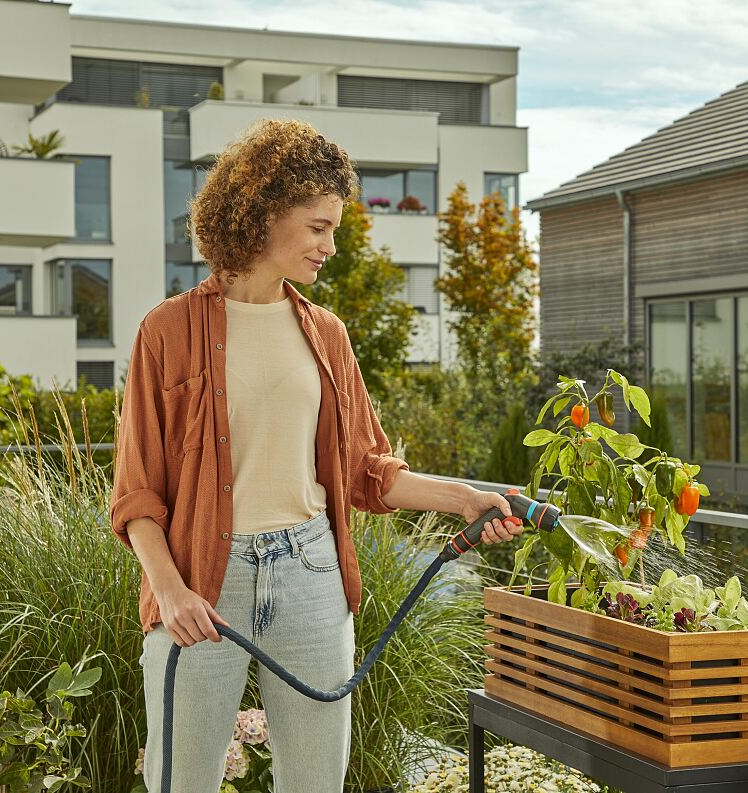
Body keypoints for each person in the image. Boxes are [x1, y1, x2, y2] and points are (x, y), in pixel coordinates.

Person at [109, 118, 524, 793]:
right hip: (203, 583)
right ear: (265, 215)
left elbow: (371, 471)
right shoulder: (168, 330)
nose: (331, 245)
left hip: (310, 572)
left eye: (334, 227)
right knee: (180, 781)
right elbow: (136, 493)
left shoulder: (326, 334)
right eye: (318, 227)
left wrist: (467, 498)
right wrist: (169, 587)